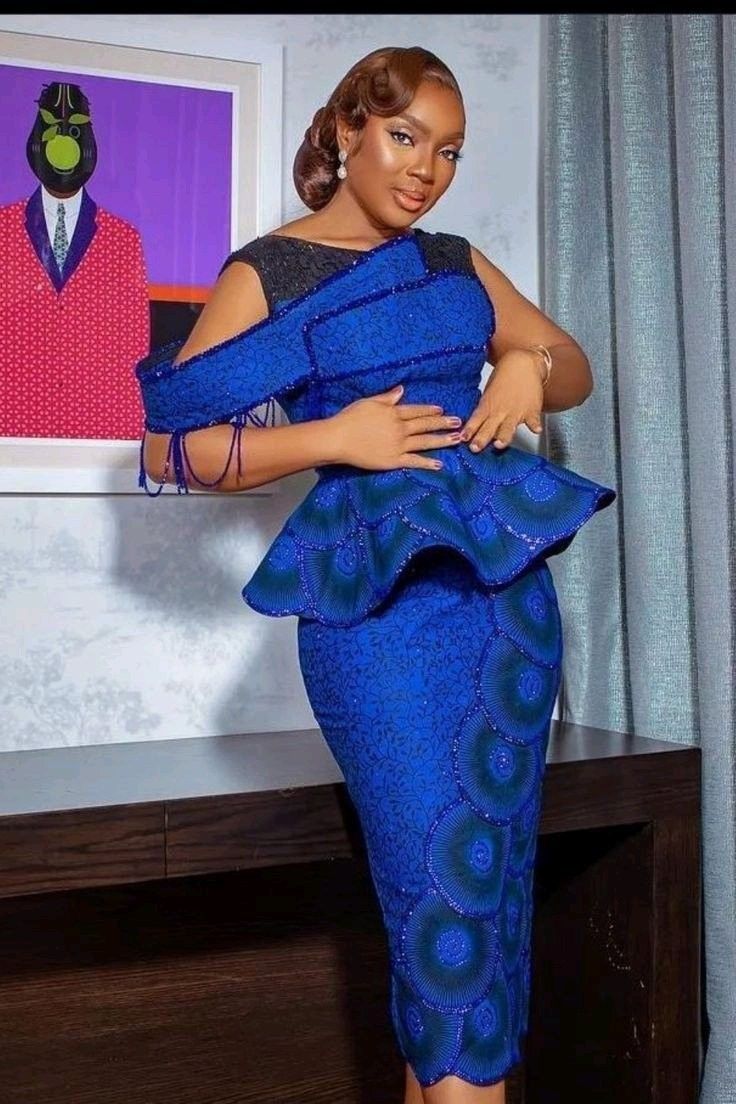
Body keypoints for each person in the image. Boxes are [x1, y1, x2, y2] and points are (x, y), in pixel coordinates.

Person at [136, 45, 616, 1104]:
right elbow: (169, 447)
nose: (425, 170)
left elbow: (571, 363)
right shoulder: (269, 272)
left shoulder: (452, 262)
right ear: (347, 128)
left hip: (506, 610)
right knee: (440, 913)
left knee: (477, 921)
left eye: (448, 152)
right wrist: (333, 438)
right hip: (380, 627)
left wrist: (526, 362)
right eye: (404, 138)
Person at [0, 80, 149, 441]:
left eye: (75, 129)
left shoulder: (124, 239)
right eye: (53, 127)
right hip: (13, 428)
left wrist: (127, 437)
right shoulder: (3, 228)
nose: (63, 143)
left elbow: (133, 352)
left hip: (99, 432)